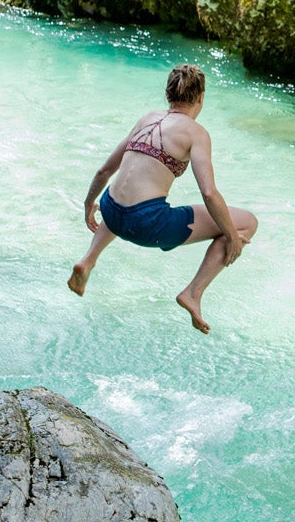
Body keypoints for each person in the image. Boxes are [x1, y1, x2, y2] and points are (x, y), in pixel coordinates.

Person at [69, 63, 257, 334]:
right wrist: (231, 237)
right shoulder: (196, 133)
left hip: (109, 210)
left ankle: (88, 260)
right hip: (146, 225)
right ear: (201, 97)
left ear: (168, 94)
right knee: (246, 222)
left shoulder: (147, 118)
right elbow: (208, 192)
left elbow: (105, 171)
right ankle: (193, 293)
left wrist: (89, 204)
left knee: (125, 196)